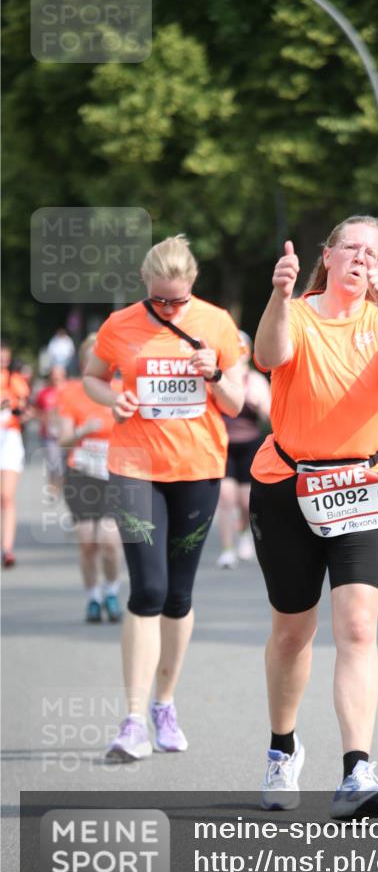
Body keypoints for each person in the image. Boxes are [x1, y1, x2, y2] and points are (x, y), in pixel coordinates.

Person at [249, 215, 378, 818]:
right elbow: (269, 355)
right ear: (328, 254)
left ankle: (357, 770)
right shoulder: (295, 312)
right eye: (352, 247)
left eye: (374, 252)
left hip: (367, 483)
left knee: (357, 627)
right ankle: (281, 748)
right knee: (293, 631)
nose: (362, 258)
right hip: (288, 483)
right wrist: (278, 294)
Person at [83, 234, 244, 761]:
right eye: (159, 299)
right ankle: (132, 719)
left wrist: (214, 374)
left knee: (178, 595)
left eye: (177, 300)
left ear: (192, 285)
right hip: (135, 467)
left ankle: (165, 704)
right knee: (147, 589)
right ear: (145, 287)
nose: (168, 308)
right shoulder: (120, 325)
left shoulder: (217, 323)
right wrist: (115, 398)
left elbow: (237, 401)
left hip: (198, 468)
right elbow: (93, 377)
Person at [59, 334, 124, 624]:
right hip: (82, 473)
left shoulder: (123, 390)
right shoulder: (71, 392)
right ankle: (93, 597)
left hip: (115, 472)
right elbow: (63, 440)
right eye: (93, 357)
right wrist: (82, 431)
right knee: (87, 542)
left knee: (109, 541)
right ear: (85, 362)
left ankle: (111, 590)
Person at [217, 330, 271, 569]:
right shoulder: (219, 379)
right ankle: (227, 550)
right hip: (223, 444)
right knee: (226, 498)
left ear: (247, 353)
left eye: (241, 350)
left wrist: (259, 404)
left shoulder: (256, 381)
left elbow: (269, 415)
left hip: (249, 444)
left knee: (246, 501)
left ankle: (244, 535)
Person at [1, 342, 31, 567]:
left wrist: (19, 413)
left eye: (5, 358)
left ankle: (7, 549)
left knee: (6, 497)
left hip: (10, 440)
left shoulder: (16, 381)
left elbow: (24, 410)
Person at [35, 365, 67, 496]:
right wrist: (43, 418)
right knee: (53, 462)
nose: (56, 377)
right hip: (49, 434)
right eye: (54, 374)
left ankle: (61, 487)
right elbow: (37, 409)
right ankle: (53, 487)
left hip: (66, 433)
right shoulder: (44, 393)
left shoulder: (69, 391)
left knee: (64, 463)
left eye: (59, 374)